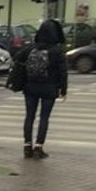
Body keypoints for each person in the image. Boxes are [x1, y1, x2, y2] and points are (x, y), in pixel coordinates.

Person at [17, 19, 68, 159]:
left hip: (30, 87)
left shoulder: (31, 49)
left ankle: (27, 146)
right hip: (49, 88)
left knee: (29, 116)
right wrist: (63, 90)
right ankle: (39, 147)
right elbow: (63, 72)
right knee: (44, 117)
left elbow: (18, 60)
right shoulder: (57, 51)